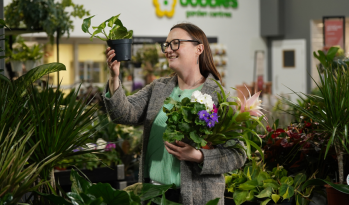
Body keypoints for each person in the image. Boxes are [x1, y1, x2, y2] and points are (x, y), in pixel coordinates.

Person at [103, 23, 246, 205]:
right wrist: (114, 77)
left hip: (196, 198)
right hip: (152, 194)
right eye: (167, 45)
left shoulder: (218, 96)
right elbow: (122, 114)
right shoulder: (159, 88)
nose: (168, 50)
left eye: (176, 43)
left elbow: (237, 153)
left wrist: (199, 156)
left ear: (199, 49)